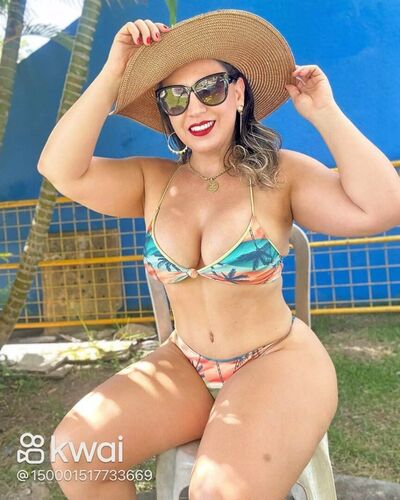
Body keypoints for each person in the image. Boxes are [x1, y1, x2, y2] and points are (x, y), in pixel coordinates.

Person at [38, 8, 399, 500]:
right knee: (76, 454)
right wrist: (114, 72)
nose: (194, 109)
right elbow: (59, 168)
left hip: (275, 360)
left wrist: (324, 113)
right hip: (185, 363)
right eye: (175, 97)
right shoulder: (152, 181)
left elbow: (383, 207)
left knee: (217, 493)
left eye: (209, 89)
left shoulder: (279, 175)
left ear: (238, 92)